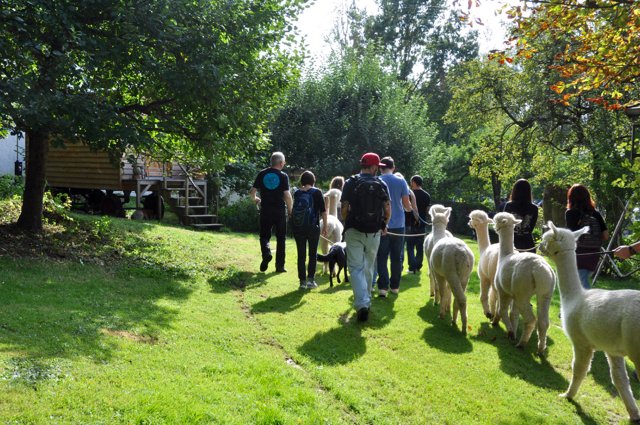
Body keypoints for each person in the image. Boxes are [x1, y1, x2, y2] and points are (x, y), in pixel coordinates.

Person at [341, 153, 391, 322]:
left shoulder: (350, 182)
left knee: (355, 268)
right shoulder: (381, 183)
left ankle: (362, 304)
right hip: (374, 231)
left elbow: (344, 207)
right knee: (369, 266)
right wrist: (384, 224)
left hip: (354, 229)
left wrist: (346, 222)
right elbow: (387, 208)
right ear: (374, 167)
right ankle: (366, 301)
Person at [249, 152, 293, 273]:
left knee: (264, 236)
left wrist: (256, 199)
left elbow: (252, 191)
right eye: (284, 162)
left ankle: (266, 253)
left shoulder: (262, 173)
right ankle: (280, 266)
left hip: (265, 210)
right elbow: (287, 196)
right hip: (279, 211)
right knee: (281, 238)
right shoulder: (283, 176)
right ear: (280, 163)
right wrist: (290, 210)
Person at [376, 157, 412, 297]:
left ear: (380, 168)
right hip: (398, 224)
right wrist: (410, 210)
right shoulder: (401, 181)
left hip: (382, 224)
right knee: (397, 257)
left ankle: (383, 288)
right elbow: (406, 204)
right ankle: (395, 286)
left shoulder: (378, 180)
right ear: (393, 167)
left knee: (382, 257)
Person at [565, 184, 609, 289]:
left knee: (582, 282)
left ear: (571, 197)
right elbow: (606, 235)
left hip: (579, 252)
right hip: (594, 253)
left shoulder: (570, 213)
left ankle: (588, 303)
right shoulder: (596, 214)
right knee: (581, 279)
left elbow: (572, 235)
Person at [291, 171, 328, 289]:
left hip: (299, 226)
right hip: (313, 227)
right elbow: (323, 211)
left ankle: (302, 281)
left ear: (302, 181)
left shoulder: (297, 193)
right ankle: (310, 281)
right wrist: (325, 226)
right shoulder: (317, 192)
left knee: (301, 254)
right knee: (312, 254)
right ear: (313, 180)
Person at [502, 179, 538, 253]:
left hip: (511, 244)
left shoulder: (509, 206)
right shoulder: (534, 208)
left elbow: (504, 225)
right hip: (528, 245)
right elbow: (531, 228)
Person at [406, 175, 431, 273]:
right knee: (420, 246)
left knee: (410, 246)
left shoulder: (409, 194)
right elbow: (427, 210)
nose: (410, 184)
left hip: (411, 222)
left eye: (411, 182)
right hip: (422, 223)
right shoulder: (427, 195)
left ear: (414, 182)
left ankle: (412, 267)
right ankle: (418, 266)